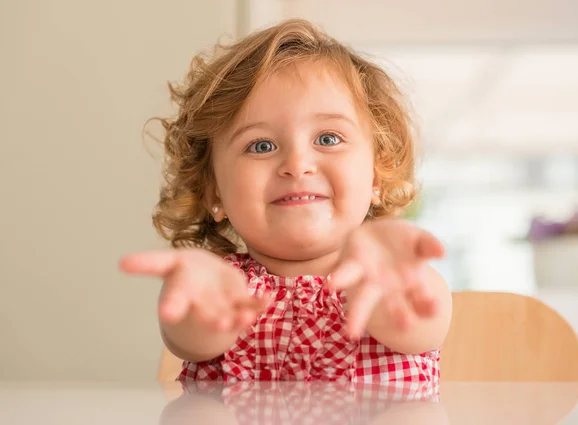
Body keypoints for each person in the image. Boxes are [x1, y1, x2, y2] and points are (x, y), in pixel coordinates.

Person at [119, 19, 452, 383]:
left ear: (376, 174)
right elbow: (192, 341)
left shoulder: (391, 278)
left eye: (327, 138)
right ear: (213, 192)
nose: (297, 165)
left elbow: (420, 325)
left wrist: (392, 291)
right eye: (261, 146)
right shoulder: (221, 288)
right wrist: (204, 309)